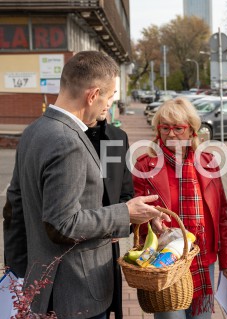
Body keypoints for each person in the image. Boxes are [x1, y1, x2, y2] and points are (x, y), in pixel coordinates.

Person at [3, 51, 168, 319]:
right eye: (110, 97)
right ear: (92, 95)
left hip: (43, 286)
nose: (108, 107)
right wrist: (125, 213)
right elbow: (63, 223)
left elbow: (14, 208)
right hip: (76, 293)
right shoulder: (68, 141)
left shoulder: (34, 130)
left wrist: (19, 274)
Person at [132, 97, 227, 319]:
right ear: (158, 130)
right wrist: (149, 222)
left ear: (191, 130)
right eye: (165, 128)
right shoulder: (145, 165)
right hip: (165, 261)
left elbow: (221, 218)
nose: (171, 134)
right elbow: (134, 215)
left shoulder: (209, 163)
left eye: (178, 128)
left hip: (203, 258)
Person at [84, 113, 134, 319]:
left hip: (105, 250)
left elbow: (127, 191)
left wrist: (121, 224)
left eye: (112, 95)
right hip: (70, 250)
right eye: (105, 94)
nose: (107, 103)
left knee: (103, 309)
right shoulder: (63, 135)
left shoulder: (118, 137)